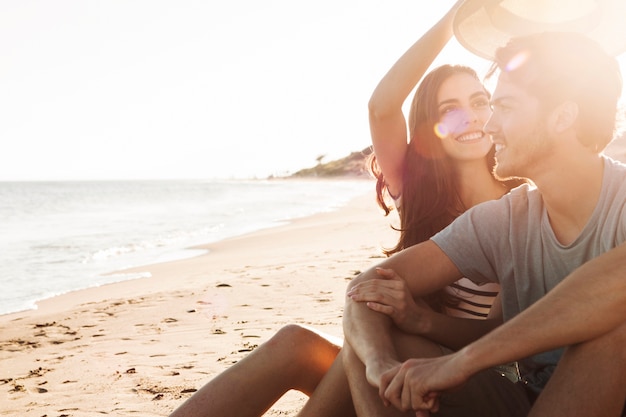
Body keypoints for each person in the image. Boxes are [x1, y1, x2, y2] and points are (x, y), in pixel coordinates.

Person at [169, 2, 519, 415]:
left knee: (370, 338)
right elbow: (382, 107)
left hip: (473, 375)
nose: (471, 117)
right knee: (295, 344)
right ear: (434, 128)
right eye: (450, 109)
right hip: (393, 364)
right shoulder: (418, 192)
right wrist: (457, 18)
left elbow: (502, 333)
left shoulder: (518, 204)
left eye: (480, 102)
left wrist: (414, 320)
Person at [343, 30, 626, 417]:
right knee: (380, 334)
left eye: (504, 107)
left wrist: (462, 362)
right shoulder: (507, 218)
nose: (489, 126)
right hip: (529, 401)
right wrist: (382, 366)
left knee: (614, 330)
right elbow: (366, 288)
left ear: (562, 116)